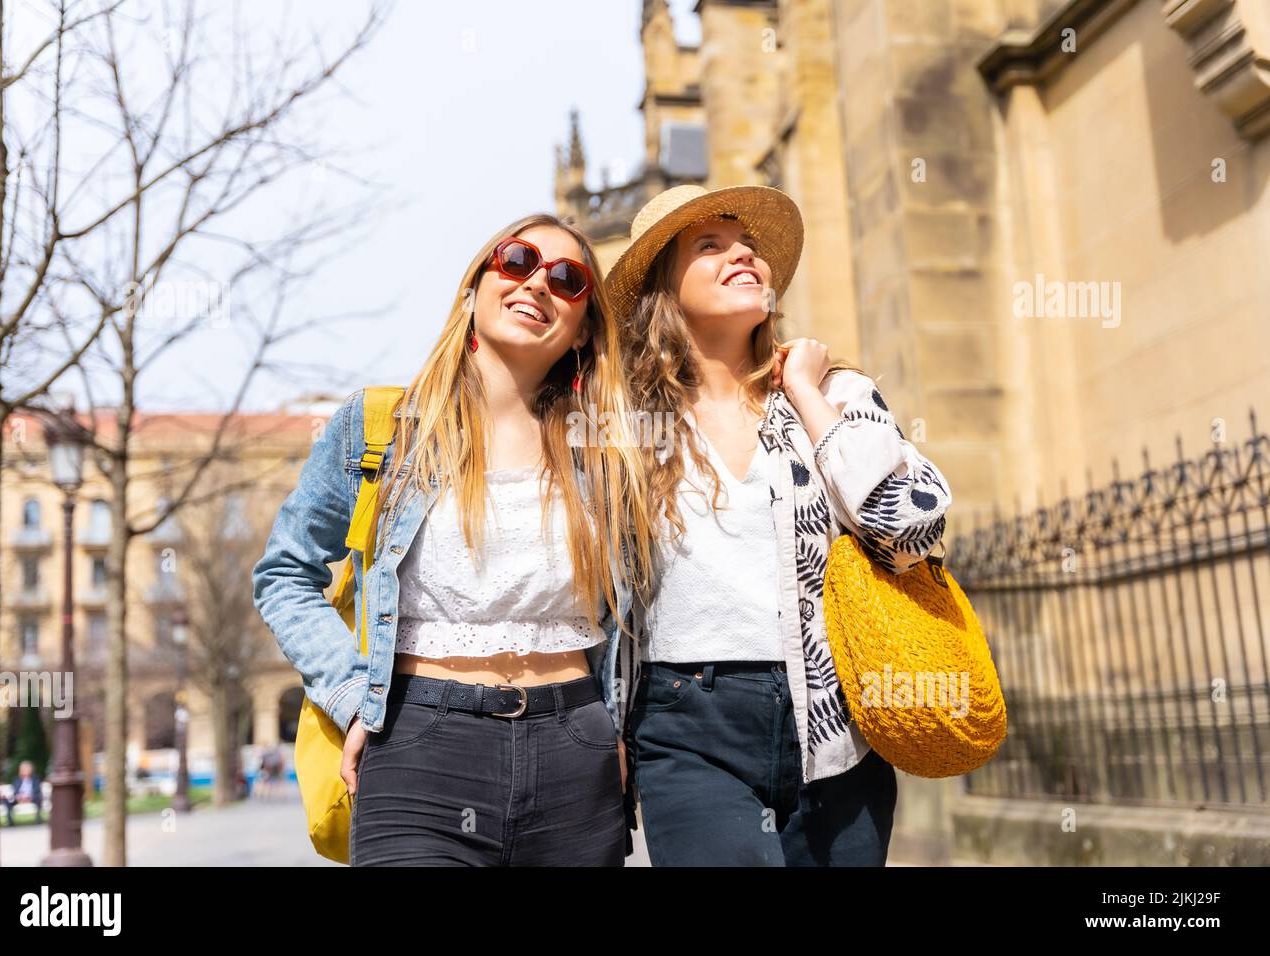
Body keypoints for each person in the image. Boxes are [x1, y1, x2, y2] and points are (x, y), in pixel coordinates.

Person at [253, 214, 653, 866]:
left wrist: (618, 731)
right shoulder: (382, 429)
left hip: (574, 756)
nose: (537, 284)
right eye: (517, 260)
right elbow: (284, 574)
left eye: (567, 278)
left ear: (584, 331)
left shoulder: (606, 454)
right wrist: (352, 697)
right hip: (418, 750)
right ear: (475, 285)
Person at [607, 184, 953, 866]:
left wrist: (805, 397)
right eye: (710, 245)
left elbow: (912, 529)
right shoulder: (624, 423)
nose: (743, 254)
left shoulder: (835, 393)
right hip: (684, 723)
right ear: (664, 290)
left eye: (750, 246)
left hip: (835, 719)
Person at [0, 760, 46, 826]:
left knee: (38, 798)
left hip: (32, 798)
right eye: (23, 769)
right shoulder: (17, 779)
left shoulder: (35, 779)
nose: (25, 770)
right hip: (19, 798)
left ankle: (38, 819)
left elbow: (37, 790)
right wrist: (19, 796)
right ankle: (10, 821)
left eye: (27, 769)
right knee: (6, 801)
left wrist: (28, 796)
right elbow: (15, 791)